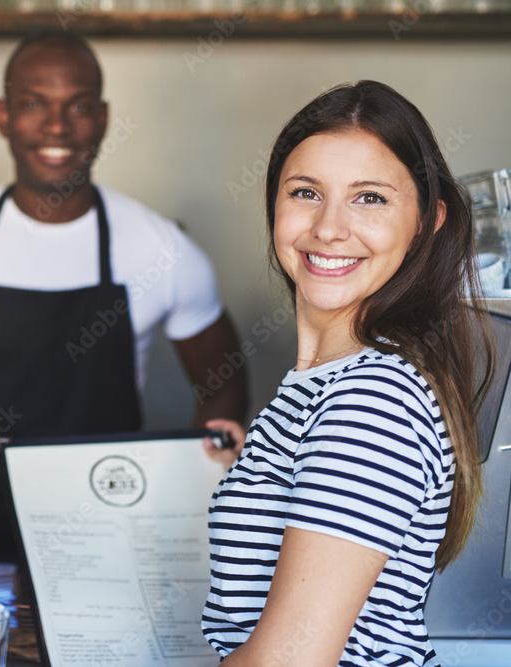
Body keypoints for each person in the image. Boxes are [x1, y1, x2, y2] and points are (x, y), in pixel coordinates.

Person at [0, 31, 248, 562]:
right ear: (2, 116)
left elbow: (224, 383)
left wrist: (180, 503)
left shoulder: (162, 250)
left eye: (77, 106)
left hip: (117, 541)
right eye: (34, 104)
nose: (57, 126)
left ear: (103, 118)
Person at [200, 80, 495, 666]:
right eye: (306, 192)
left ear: (426, 221)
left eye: (370, 198)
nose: (329, 228)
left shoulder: (372, 400)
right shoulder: (325, 383)